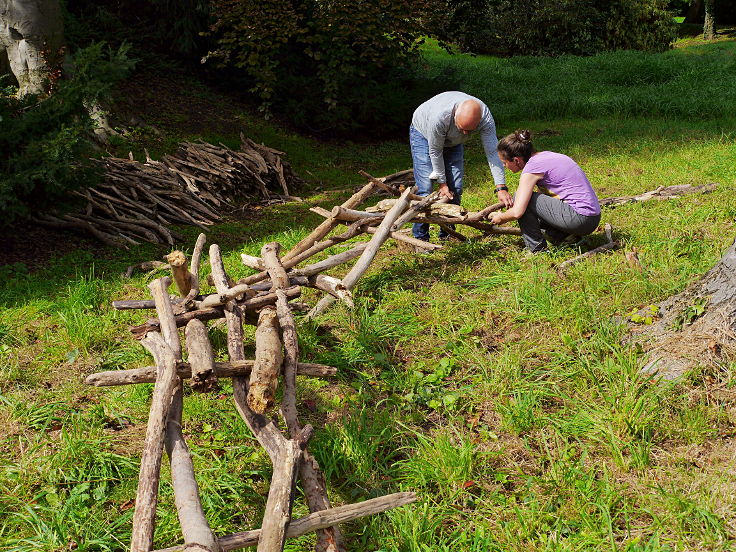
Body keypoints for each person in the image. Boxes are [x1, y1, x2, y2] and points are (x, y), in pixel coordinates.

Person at [410, 91, 511, 242]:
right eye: (462, 128)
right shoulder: (440, 118)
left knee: (455, 188)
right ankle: (421, 239)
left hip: (452, 141)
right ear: (455, 116)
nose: (464, 133)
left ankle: (448, 235)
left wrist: (501, 187)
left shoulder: (485, 118)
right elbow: (435, 151)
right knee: (426, 188)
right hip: (423, 134)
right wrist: (442, 183)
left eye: (469, 131)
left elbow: (492, 152)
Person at [489, 129, 601, 253]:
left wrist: (501, 218)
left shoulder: (532, 168)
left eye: (504, 163)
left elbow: (517, 212)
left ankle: (536, 250)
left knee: (521, 199)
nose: (504, 166)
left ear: (516, 160)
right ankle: (567, 238)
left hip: (580, 218)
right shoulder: (546, 156)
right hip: (592, 217)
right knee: (530, 207)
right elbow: (545, 199)